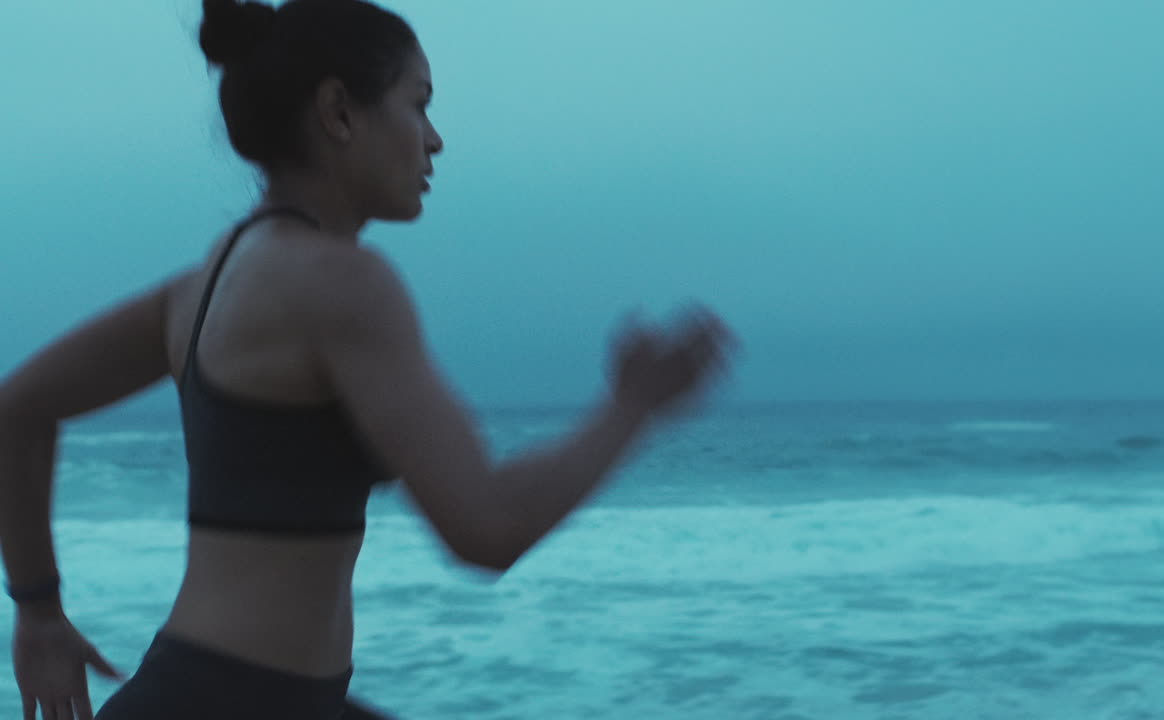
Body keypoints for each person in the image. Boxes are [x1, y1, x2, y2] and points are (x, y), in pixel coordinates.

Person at [0, 0, 737, 717]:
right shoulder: (341, 284)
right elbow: (486, 528)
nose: (435, 139)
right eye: (418, 104)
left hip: (221, 691)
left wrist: (37, 611)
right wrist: (632, 406)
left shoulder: (208, 281)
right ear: (340, 113)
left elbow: (18, 407)